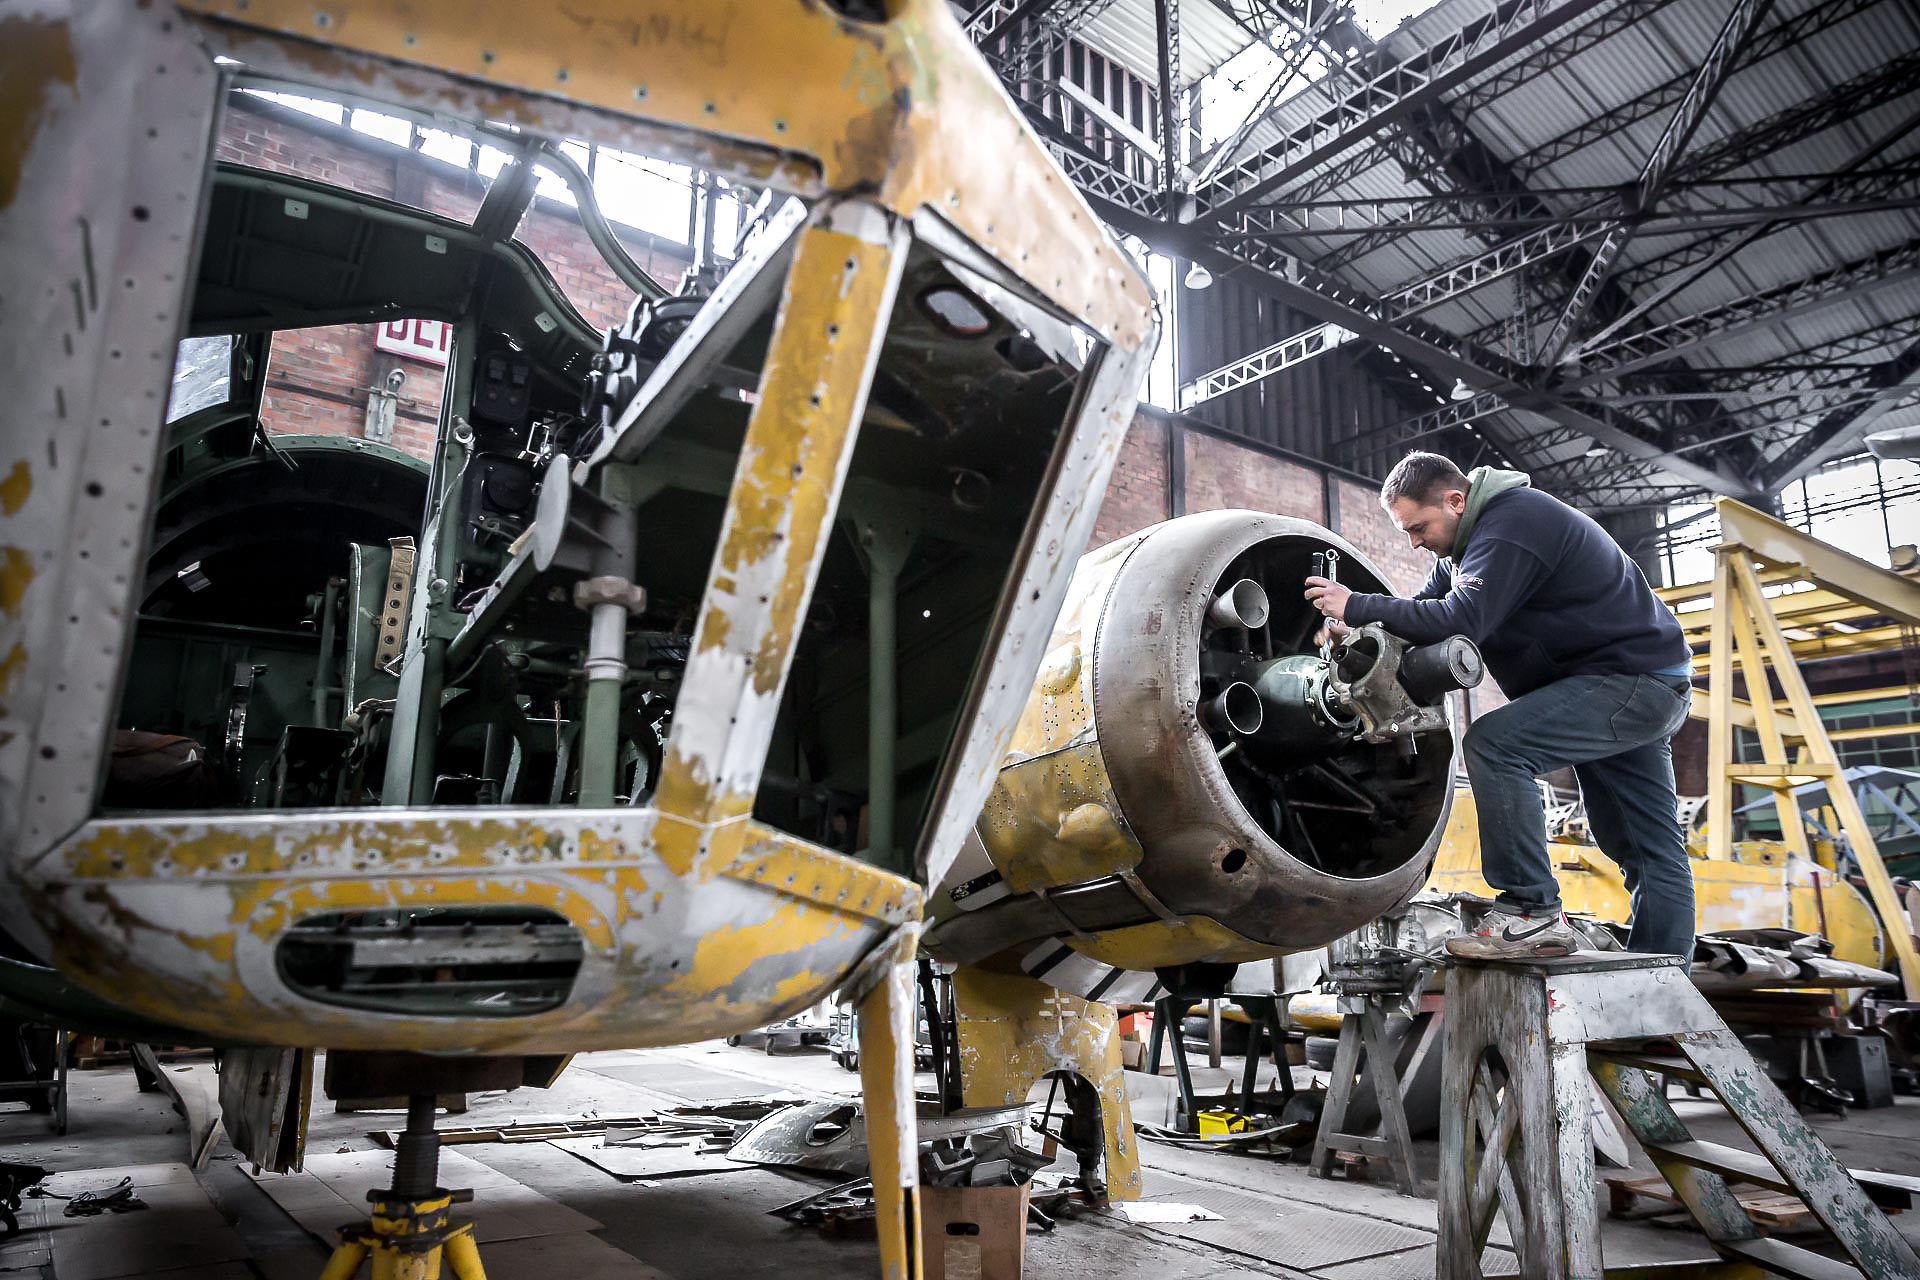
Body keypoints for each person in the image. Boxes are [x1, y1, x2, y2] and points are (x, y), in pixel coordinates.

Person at [1302, 452, 1695, 960]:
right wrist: (1356, 632)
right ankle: (1661, 987)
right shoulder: (1461, 554)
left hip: (1632, 682)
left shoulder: (1514, 520)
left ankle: (1531, 913)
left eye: (1417, 527)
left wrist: (1355, 603)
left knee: (1494, 746)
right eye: (1406, 533)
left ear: (1455, 500)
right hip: (1634, 684)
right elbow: (1419, 616)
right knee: (1643, 846)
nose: (1414, 542)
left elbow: (1459, 618)